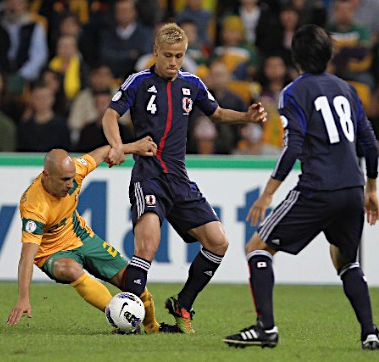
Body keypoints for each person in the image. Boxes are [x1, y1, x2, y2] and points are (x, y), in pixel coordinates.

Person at [223, 24, 379, 350]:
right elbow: (369, 142)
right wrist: (372, 188)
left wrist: (268, 193)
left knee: (257, 248)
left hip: (317, 189)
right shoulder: (347, 89)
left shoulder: (294, 92)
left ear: (295, 57)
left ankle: (265, 328)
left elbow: (293, 148)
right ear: (329, 55)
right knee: (346, 260)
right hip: (352, 188)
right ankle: (370, 333)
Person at [102, 23, 266, 334]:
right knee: (148, 245)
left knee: (218, 242)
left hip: (179, 179)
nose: (173, 62)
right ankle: (131, 321)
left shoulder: (192, 84)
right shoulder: (138, 81)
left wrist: (247, 116)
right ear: (155, 53)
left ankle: (183, 304)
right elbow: (110, 115)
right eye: (168, 55)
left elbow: (215, 113)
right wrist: (118, 147)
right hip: (148, 176)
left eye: (179, 56)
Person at [7, 140, 179, 334]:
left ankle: (153, 327)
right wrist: (23, 298)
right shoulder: (34, 206)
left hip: (81, 237)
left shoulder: (75, 171)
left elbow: (103, 151)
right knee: (71, 269)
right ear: (46, 176)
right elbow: (27, 257)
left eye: (72, 178)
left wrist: (134, 147)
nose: (70, 184)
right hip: (51, 253)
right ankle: (121, 319)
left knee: (131, 279)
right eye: (64, 180)